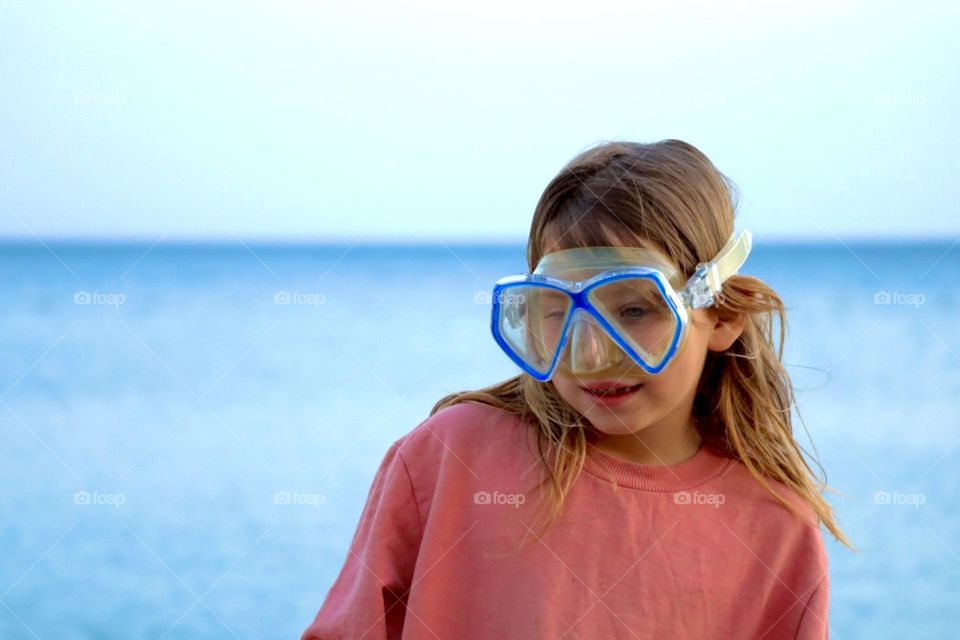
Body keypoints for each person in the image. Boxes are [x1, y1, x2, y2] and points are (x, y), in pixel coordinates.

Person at [301, 139, 851, 639]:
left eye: (635, 310)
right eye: (557, 312)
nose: (589, 355)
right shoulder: (449, 461)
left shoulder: (775, 527)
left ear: (722, 314)